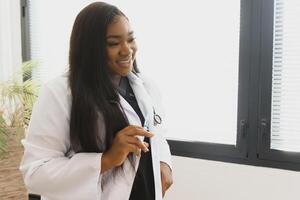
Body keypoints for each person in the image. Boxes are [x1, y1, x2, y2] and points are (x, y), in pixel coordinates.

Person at [20, 2, 173, 200]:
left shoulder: (146, 86)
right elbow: (35, 174)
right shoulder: (60, 93)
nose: (127, 50)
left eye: (130, 39)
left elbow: (156, 132)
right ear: (90, 48)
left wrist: (164, 162)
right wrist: (106, 160)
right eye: (114, 43)